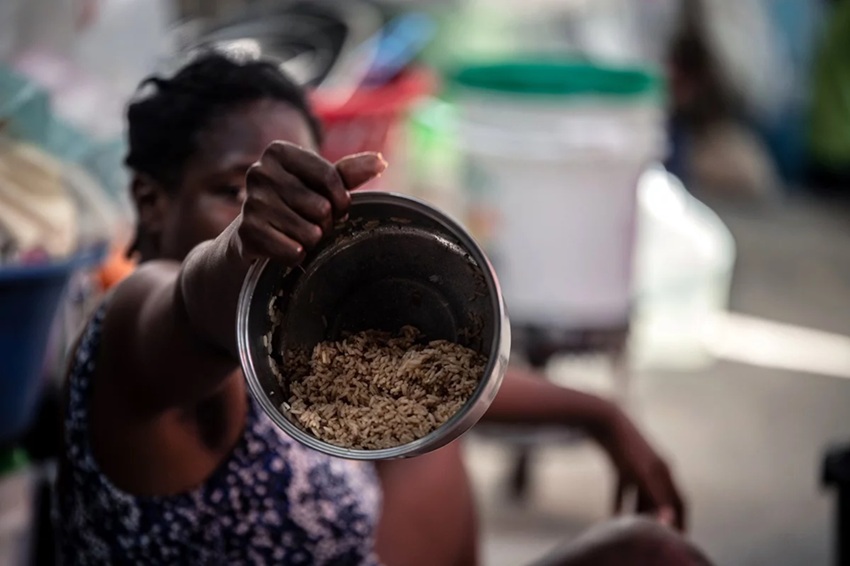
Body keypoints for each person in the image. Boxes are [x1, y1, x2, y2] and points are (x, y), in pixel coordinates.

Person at [56, 51, 711, 565]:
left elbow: (429, 367)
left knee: (653, 553)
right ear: (152, 203)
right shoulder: (133, 324)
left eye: (301, 202)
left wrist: (598, 413)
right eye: (237, 192)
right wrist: (241, 245)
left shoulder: (290, 352)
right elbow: (192, 307)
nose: (285, 230)